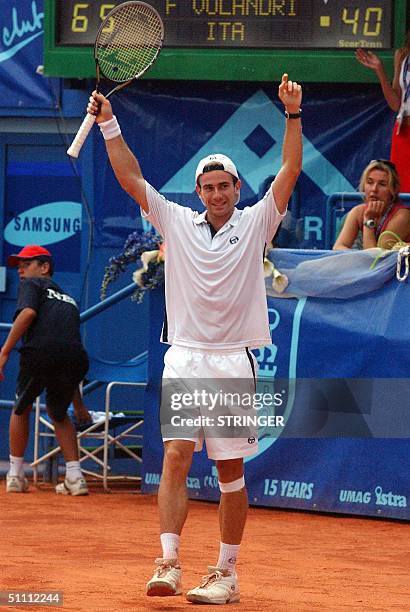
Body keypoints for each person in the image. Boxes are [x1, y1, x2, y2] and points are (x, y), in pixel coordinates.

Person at [87, 72, 302, 604]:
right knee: (178, 456)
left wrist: (292, 114)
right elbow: (132, 180)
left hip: (232, 360)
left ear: (236, 188)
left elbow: (291, 169)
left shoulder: (257, 223)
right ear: (198, 192)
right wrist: (110, 124)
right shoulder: (176, 221)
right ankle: (168, 563)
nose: (215, 194)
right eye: (207, 187)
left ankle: (226, 573)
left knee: (229, 471)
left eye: (224, 186)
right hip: (184, 356)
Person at [0, 245, 89, 496]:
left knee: (21, 407)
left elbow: (27, 312)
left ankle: (16, 474)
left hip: (39, 354)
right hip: (74, 359)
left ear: (44, 267)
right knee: (58, 413)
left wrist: (4, 351)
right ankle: (75, 476)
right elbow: (65, 351)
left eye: (26, 265)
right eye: (19, 267)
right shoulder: (69, 300)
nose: (21, 271)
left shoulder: (33, 284)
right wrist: (79, 405)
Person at [355, 30, 410, 192]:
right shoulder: (402, 55)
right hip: (403, 133)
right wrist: (379, 70)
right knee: (402, 193)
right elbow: (395, 104)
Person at [333, 159, 410, 250]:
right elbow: (338, 247)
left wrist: (368, 220)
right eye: (370, 182)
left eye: (382, 184)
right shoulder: (358, 211)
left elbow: (376, 259)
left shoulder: (403, 216)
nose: (374, 189)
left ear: (393, 190)